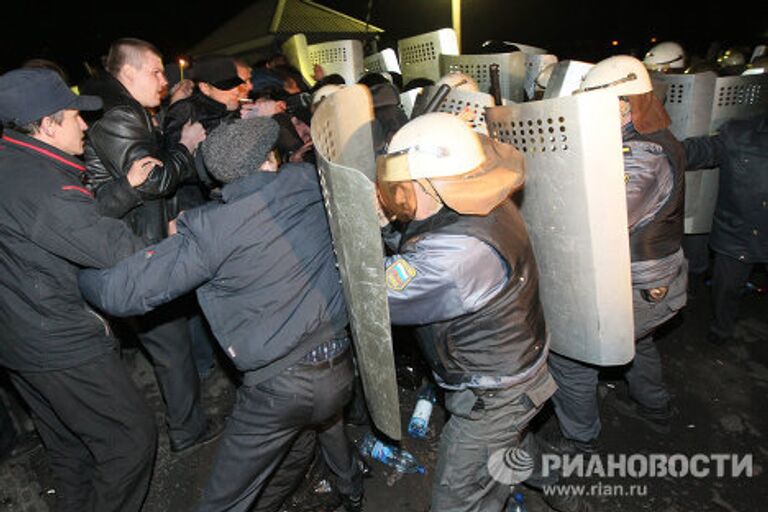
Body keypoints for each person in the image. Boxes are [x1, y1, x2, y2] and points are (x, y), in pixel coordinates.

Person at [78, 117, 363, 512]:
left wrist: (79, 272)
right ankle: (349, 491)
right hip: (340, 365)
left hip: (278, 389)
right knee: (309, 434)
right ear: (269, 160)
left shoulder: (211, 230)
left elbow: (121, 292)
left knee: (223, 501)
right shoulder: (310, 184)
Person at [375, 112, 586, 512]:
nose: (397, 194)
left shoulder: (459, 251)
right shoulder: (482, 199)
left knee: (457, 499)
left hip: (495, 388)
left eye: (404, 187)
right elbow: (423, 238)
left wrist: (370, 226)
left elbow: (378, 297)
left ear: (432, 185)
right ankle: (570, 499)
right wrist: (392, 224)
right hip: (514, 368)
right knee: (513, 445)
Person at [0, 67, 158, 512]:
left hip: (17, 337)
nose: (85, 125)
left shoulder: (14, 162)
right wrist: (190, 245)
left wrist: (124, 190)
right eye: (74, 116)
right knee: (130, 439)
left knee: (69, 448)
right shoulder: (42, 189)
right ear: (47, 125)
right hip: (58, 341)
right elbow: (114, 248)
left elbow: (67, 225)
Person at [83, 37, 220, 454]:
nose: (164, 80)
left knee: (174, 336)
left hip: (140, 239)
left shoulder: (123, 106)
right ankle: (186, 430)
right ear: (128, 73)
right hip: (134, 249)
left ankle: (189, 412)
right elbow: (157, 178)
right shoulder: (119, 113)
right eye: (156, 71)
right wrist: (186, 144)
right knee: (169, 345)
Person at [548, 56, 688, 451]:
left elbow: (602, 219)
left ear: (625, 104)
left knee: (570, 357)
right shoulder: (633, 141)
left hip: (642, 283)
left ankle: (580, 441)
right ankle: (656, 408)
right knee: (637, 343)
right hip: (647, 282)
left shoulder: (644, 154)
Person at [682, 114, 768, 345]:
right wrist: (660, 149)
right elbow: (702, 150)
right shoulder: (739, 133)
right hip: (739, 232)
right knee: (726, 289)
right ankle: (722, 328)